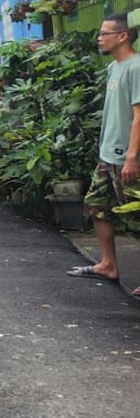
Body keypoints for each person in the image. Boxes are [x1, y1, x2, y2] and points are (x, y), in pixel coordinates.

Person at [69, 15, 140, 288]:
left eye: (104, 33)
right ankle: (108, 264)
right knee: (98, 206)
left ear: (122, 36)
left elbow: (139, 115)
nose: (99, 38)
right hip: (109, 154)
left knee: (136, 216)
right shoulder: (114, 68)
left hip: (127, 157)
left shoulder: (136, 67)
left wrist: (132, 155)